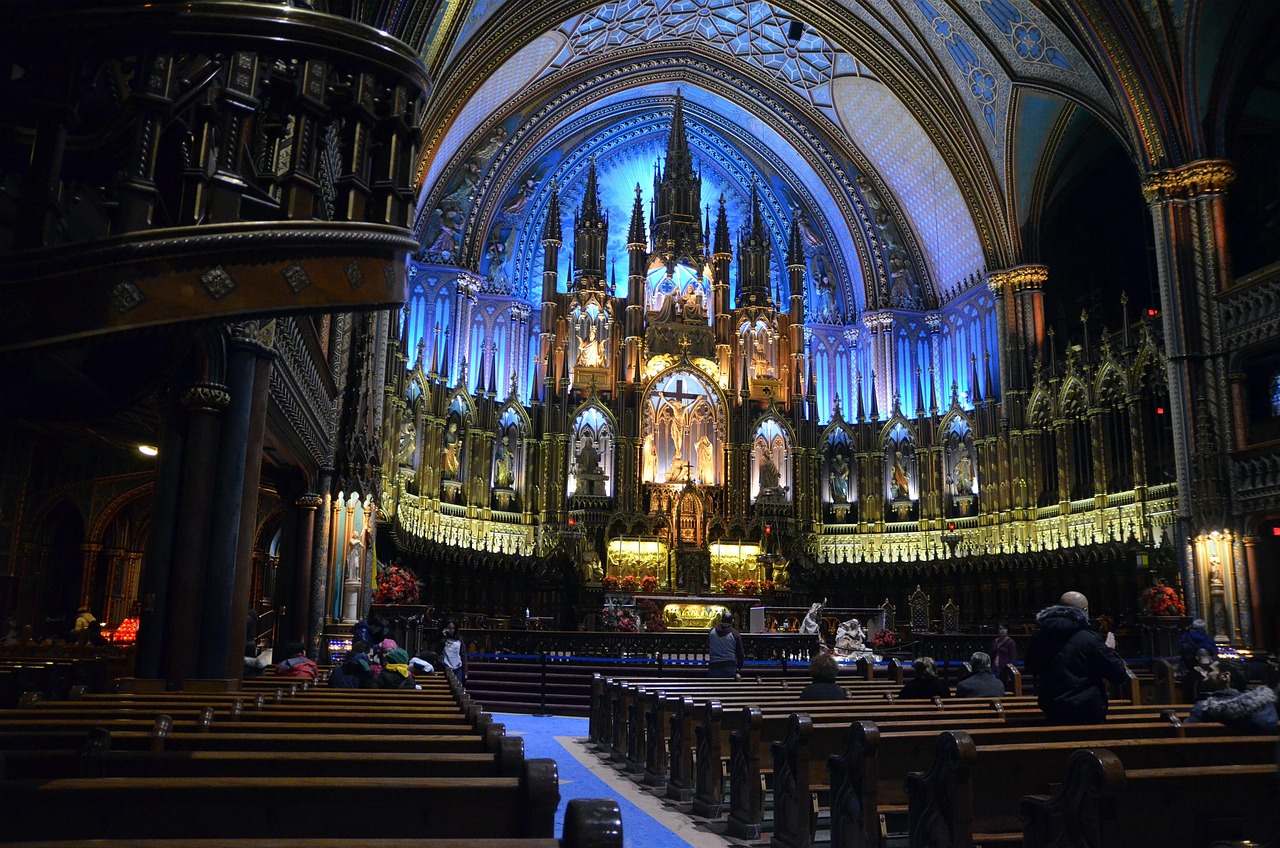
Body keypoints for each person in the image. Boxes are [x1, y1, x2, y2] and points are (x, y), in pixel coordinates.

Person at [1024, 591, 1130, 725]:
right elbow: (1118, 674)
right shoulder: (1089, 639)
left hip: (1053, 712)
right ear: (1085, 610)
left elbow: (1031, 667)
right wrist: (1109, 650)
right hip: (1088, 714)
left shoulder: (1041, 638)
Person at [1184, 660, 1277, 733]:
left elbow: (1187, 732)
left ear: (1225, 676)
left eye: (1210, 671)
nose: (1205, 674)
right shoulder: (1265, 708)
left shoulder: (1203, 708)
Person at [708, 611, 745, 679]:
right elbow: (740, 653)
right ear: (732, 621)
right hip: (729, 666)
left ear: (721, 620)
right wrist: (739, 667)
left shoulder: (712, 632)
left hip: (714, 665)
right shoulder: (735, 634)